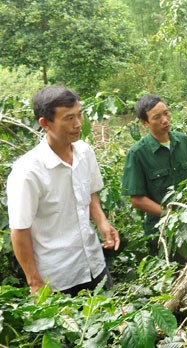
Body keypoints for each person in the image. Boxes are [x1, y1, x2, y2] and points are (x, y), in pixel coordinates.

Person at [7, 85, 120, 297]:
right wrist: (34, 282)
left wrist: (103, 223)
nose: (78, 124)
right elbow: (20, 231)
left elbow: (90, 193)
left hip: (93, 264)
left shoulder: (85, 153)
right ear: (45, 123)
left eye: (79, 115)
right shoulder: (27, 172)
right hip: (57, 279)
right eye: (69, 118)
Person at [121, 94, 187, 239]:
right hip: (161, 232)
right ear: (145, 123)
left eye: (166, 113)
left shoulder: (183, 141)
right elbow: (137, 199)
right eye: (157, 117)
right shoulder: (137, 154)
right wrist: (170, 215)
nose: (165, 120)